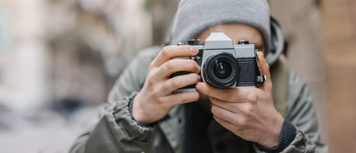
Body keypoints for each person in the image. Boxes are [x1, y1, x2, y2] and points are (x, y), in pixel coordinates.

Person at [70, 0, 328, 152]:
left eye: (246, 51)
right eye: (213, 52)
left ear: (264, 52)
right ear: (184, 50)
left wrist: (276, 136)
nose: (227, 67)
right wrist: (136, 114)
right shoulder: (148, 75)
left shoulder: (286, 86)